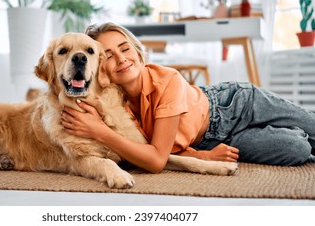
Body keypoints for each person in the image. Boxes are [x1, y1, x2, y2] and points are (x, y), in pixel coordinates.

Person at [61, 22, 315, 173]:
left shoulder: (167, 79)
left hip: (234, 105)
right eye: (108, 56)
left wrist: (100, 131)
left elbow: (156, 159)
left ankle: (297, 123)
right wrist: (200, 154)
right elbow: (140, 154)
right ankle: (293, 133)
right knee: (297, 148)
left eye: (125, 49)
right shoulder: (112, 103)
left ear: (138, 53)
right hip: (208, 140)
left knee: (312, 126)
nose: (121, 59)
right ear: (99, 68)